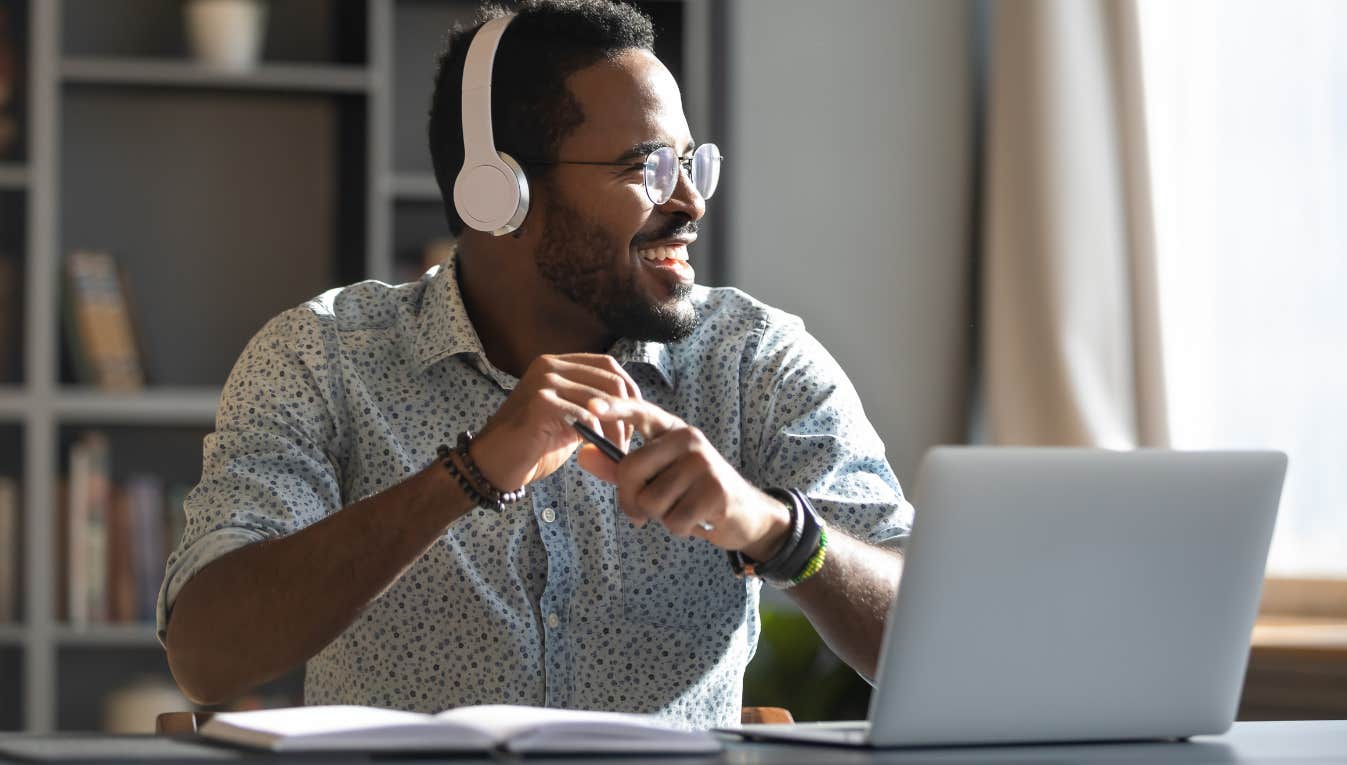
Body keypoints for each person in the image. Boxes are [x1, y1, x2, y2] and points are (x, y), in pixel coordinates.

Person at [159, 0, 910, 730]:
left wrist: (779, 530)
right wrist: (468, 474)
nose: (689, 202)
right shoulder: (323, 357)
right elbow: (206, 653)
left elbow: (939, 628)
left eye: (689, 164)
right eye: (646, 167)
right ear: (500, 194)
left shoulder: (754, 361)